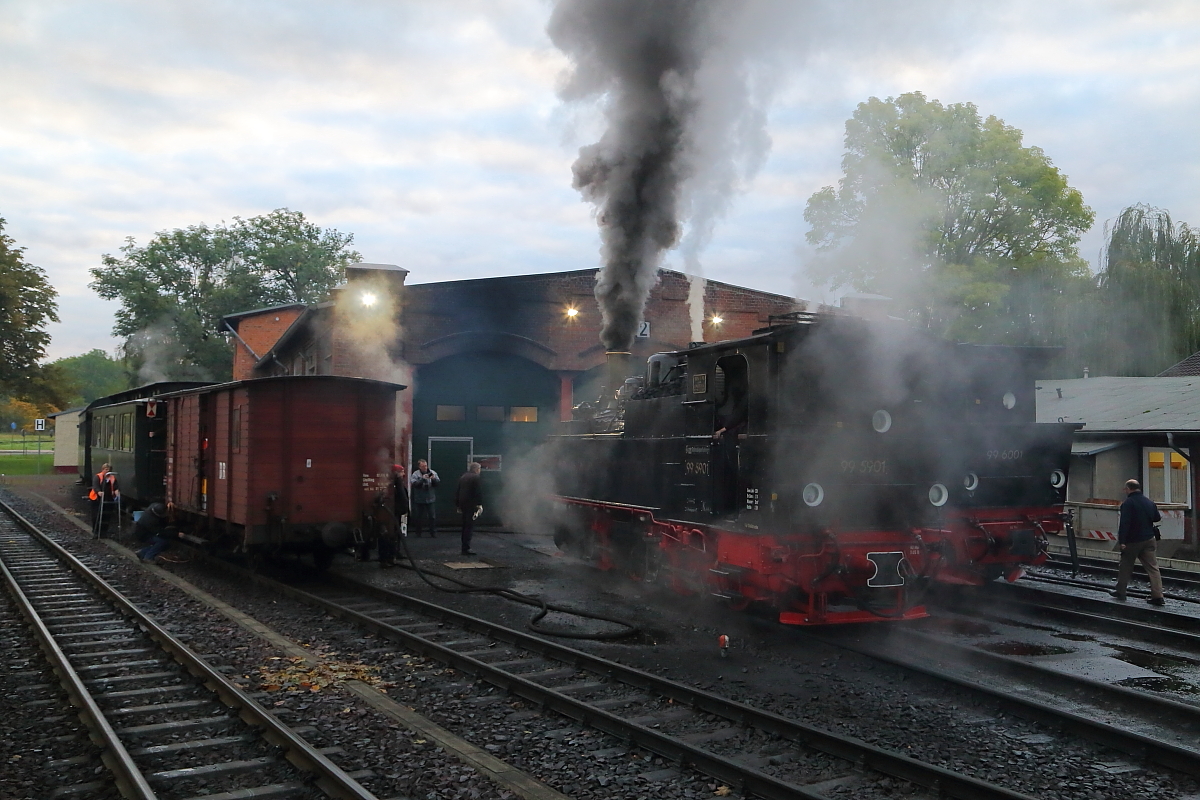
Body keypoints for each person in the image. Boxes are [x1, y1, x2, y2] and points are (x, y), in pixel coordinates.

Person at [1112, 478, 1165, 605]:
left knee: (1125, 566)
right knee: (1153, 568)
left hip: (1133, 540)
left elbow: (1125, 523)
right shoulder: (1149, 502)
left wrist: (1122, 541)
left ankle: (1121, 592)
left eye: (1125, 489)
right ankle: (1158, 596)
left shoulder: (1128, 503)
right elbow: (1157, 518)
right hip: (1149, 539)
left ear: (1128, 489)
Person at [378, 465, 410, 567]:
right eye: (401, 472)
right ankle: (386, 558)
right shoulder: (392, 486)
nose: (403, 474)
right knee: (387, 536)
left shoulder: (396, 484)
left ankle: (393, 554)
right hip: (391, 514)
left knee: (395, 535)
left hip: (396, 513)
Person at [455, 462, 483, 556]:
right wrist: (479, 505)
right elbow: (477, 492)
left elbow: (458, 491)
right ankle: (466, 548)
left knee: (465, 526)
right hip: (471, 505)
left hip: (463, 505)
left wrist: (458, 505)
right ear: (476, 469)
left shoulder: (463, 477)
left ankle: (464, 547)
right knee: (469, 527)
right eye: (479, 469)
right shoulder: (476, 478)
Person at [409, 459, 440, 538]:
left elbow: (437, 483)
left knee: (432, 517)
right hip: (419, 499)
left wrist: (433, 479)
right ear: (419, 467)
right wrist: (422, 479)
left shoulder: (432, 473)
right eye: (423, 466)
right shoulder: (416, 474)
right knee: (419, 517)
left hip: (430, 498)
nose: (425, 468)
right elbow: (414, 484)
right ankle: (418, 532)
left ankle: (433, 532)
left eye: (425, 466)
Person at [90, 464, 120, 538]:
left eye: (109, 469)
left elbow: (115, 487)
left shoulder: (112, 478)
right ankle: (96, 531)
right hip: (97, 499)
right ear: (102, 469)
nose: (107, 471)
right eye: (106, 469)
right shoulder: (98, 477)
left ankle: (104, 532)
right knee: (96, 515)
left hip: (108, 498)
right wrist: (99, 492)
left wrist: (117, 493)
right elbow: (95, 486)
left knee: (107, 515)